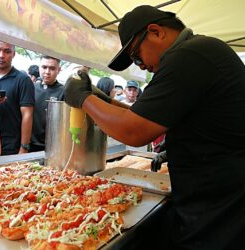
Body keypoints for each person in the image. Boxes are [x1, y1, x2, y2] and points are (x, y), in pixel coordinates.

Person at [64, 5, 245, 250]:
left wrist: (83, 98)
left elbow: (133, 130)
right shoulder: (201, 51)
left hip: (220, 202)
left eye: (137, 56)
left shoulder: (188, 56)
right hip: (216, 192)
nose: (140, 66)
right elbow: (143, 114)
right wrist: (103, 100)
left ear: (156, 32)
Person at [0, 39, 34, 155]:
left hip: (10, 147)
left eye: (7, 51)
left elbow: (27, 114)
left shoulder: (23, 80)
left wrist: (24, 147)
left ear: (13, 54)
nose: (1, 55)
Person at [30, 55, 64, 152]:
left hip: (53, 147)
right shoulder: (31, 88)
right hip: (30, 145)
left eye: (52, 68)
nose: (47, 72)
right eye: (44, 67)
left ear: (59, 70)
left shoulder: (64, 91)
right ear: (39, 67)